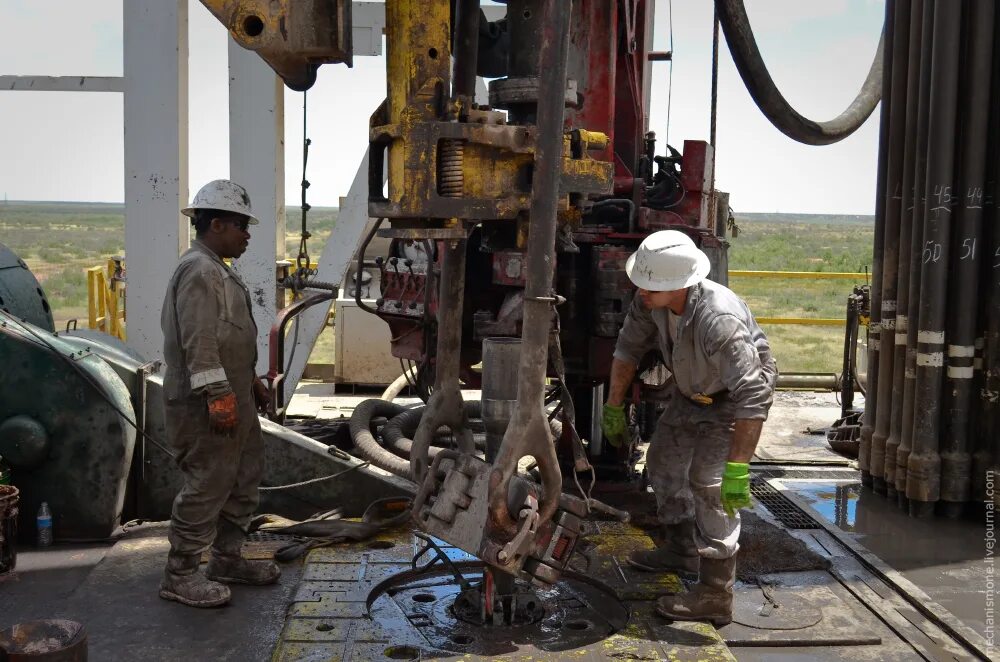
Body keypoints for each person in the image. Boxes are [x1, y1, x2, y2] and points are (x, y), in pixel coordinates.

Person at [601, 230, 776, 626]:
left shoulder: (718, 319)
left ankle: (716, 593)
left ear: (680, 283)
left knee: (709, 485)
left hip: (732, 398)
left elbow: (752, 395)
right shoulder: (650, 301)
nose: (641, 290)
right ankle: (680, 548)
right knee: (663, 461)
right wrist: (613, 406)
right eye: (641, 282)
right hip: (690, 389)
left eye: (650, 285)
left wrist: (739, 468)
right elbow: (627, 349)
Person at [158, 179, 279, 608]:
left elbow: (228, 337)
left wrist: (250, 384)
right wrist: (217, 394)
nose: (247, 234)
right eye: (241, 225)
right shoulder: (199, 270)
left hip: (232, 396)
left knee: (243, 478)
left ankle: (226, 558)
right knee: (208, 483)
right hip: (205, 402)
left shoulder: (218, 268)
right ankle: (181, 573)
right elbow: (199, 340)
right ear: (217, 224)